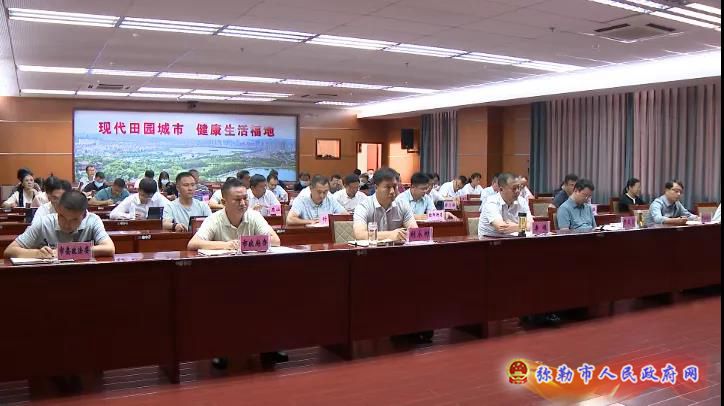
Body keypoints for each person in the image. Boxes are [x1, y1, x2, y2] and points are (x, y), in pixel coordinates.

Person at [4, 191, 115, 259]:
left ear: (84, 215)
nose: (67, 224)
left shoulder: (93, 220)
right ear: (57, 210)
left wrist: (63, 251)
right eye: (62, 216)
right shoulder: (44, 223)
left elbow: (109, 248)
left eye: (74, 219)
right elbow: (10, 250)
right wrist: (37, 253)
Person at [188, 177, 281, 249]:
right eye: (237, 199)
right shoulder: (213, 219)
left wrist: (242, 243)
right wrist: (227, 245)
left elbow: (275, 240)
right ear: (224, 202)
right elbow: (193, 244)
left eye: (245, 198)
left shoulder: (254, 216)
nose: (243, 203)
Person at [353, 167, 417, 242]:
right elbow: (359, 235)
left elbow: (414, 232)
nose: (392, 191)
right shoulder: (363, 206)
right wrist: (390, 235)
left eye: (394, 187)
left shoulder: (402, 204)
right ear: (376, 188)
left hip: (396, 248)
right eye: (387, 187)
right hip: (371, 248)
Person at [478, 173, 532, 237]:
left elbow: (531, 225)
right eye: (514, 188)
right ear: (501, 189)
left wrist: (515, 226)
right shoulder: (491, 201)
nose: (518, 191)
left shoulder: (522, 201)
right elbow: (501, 228)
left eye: (519, 188)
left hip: (515, 239)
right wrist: (522, 226)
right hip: (491, 239)